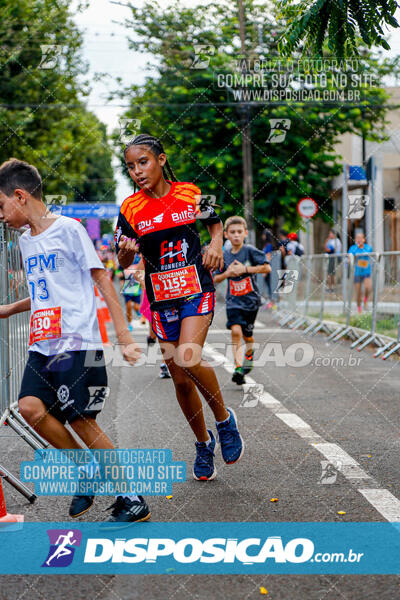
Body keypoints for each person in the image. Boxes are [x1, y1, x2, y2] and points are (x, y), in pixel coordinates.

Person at [0, 158, 150, 523]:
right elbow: (44, 294)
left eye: (1, 206)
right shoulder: (24, 240)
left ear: (20, 196)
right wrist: (8, 309)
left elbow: (102, 280)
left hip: (77, 341)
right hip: (42, 343)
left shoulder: (69, 230)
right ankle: (86, 470)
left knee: (82, 420)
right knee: (31, 409)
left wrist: (125, 335)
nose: (1, 215)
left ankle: (131, 497)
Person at [114, 133, 243, 481]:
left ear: (161, 160)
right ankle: (203, 444)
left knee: (189, 357)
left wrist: (216, 243)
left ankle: (224, 420)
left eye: (143, 162)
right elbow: (122, 255)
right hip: (161, 298)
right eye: (130, 167)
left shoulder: (190, 193)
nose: (137, 171)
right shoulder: (130, 208)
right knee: (181, 382)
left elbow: (216, 223)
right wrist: (126, 253)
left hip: (195, 289)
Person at [214, 216, 271, 385]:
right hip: (233, 301)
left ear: (245, 233)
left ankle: (249, 352)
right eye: (232, 232)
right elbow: (215, 278)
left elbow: (266, 267)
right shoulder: (223, 256)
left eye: (239, 232)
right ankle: (238, 367)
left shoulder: (250, 251)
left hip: (251, 301)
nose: (236, 235)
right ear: (226, 235)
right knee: (235, 331)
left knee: (247, 335)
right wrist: (227, 274)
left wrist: (245, 269)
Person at [348, 232, 373, 313]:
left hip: (366, 272)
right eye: (357, 238)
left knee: (368, 287)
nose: (358, 240)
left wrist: (360, 249)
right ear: (355, 240)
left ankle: (365, 299)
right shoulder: (352, 248)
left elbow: (368, 253)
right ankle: (359, 308)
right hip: (357, 273)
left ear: (364, 239)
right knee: (358, 292)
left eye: (360, 238)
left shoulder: (368, 248)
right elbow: (350, 256)